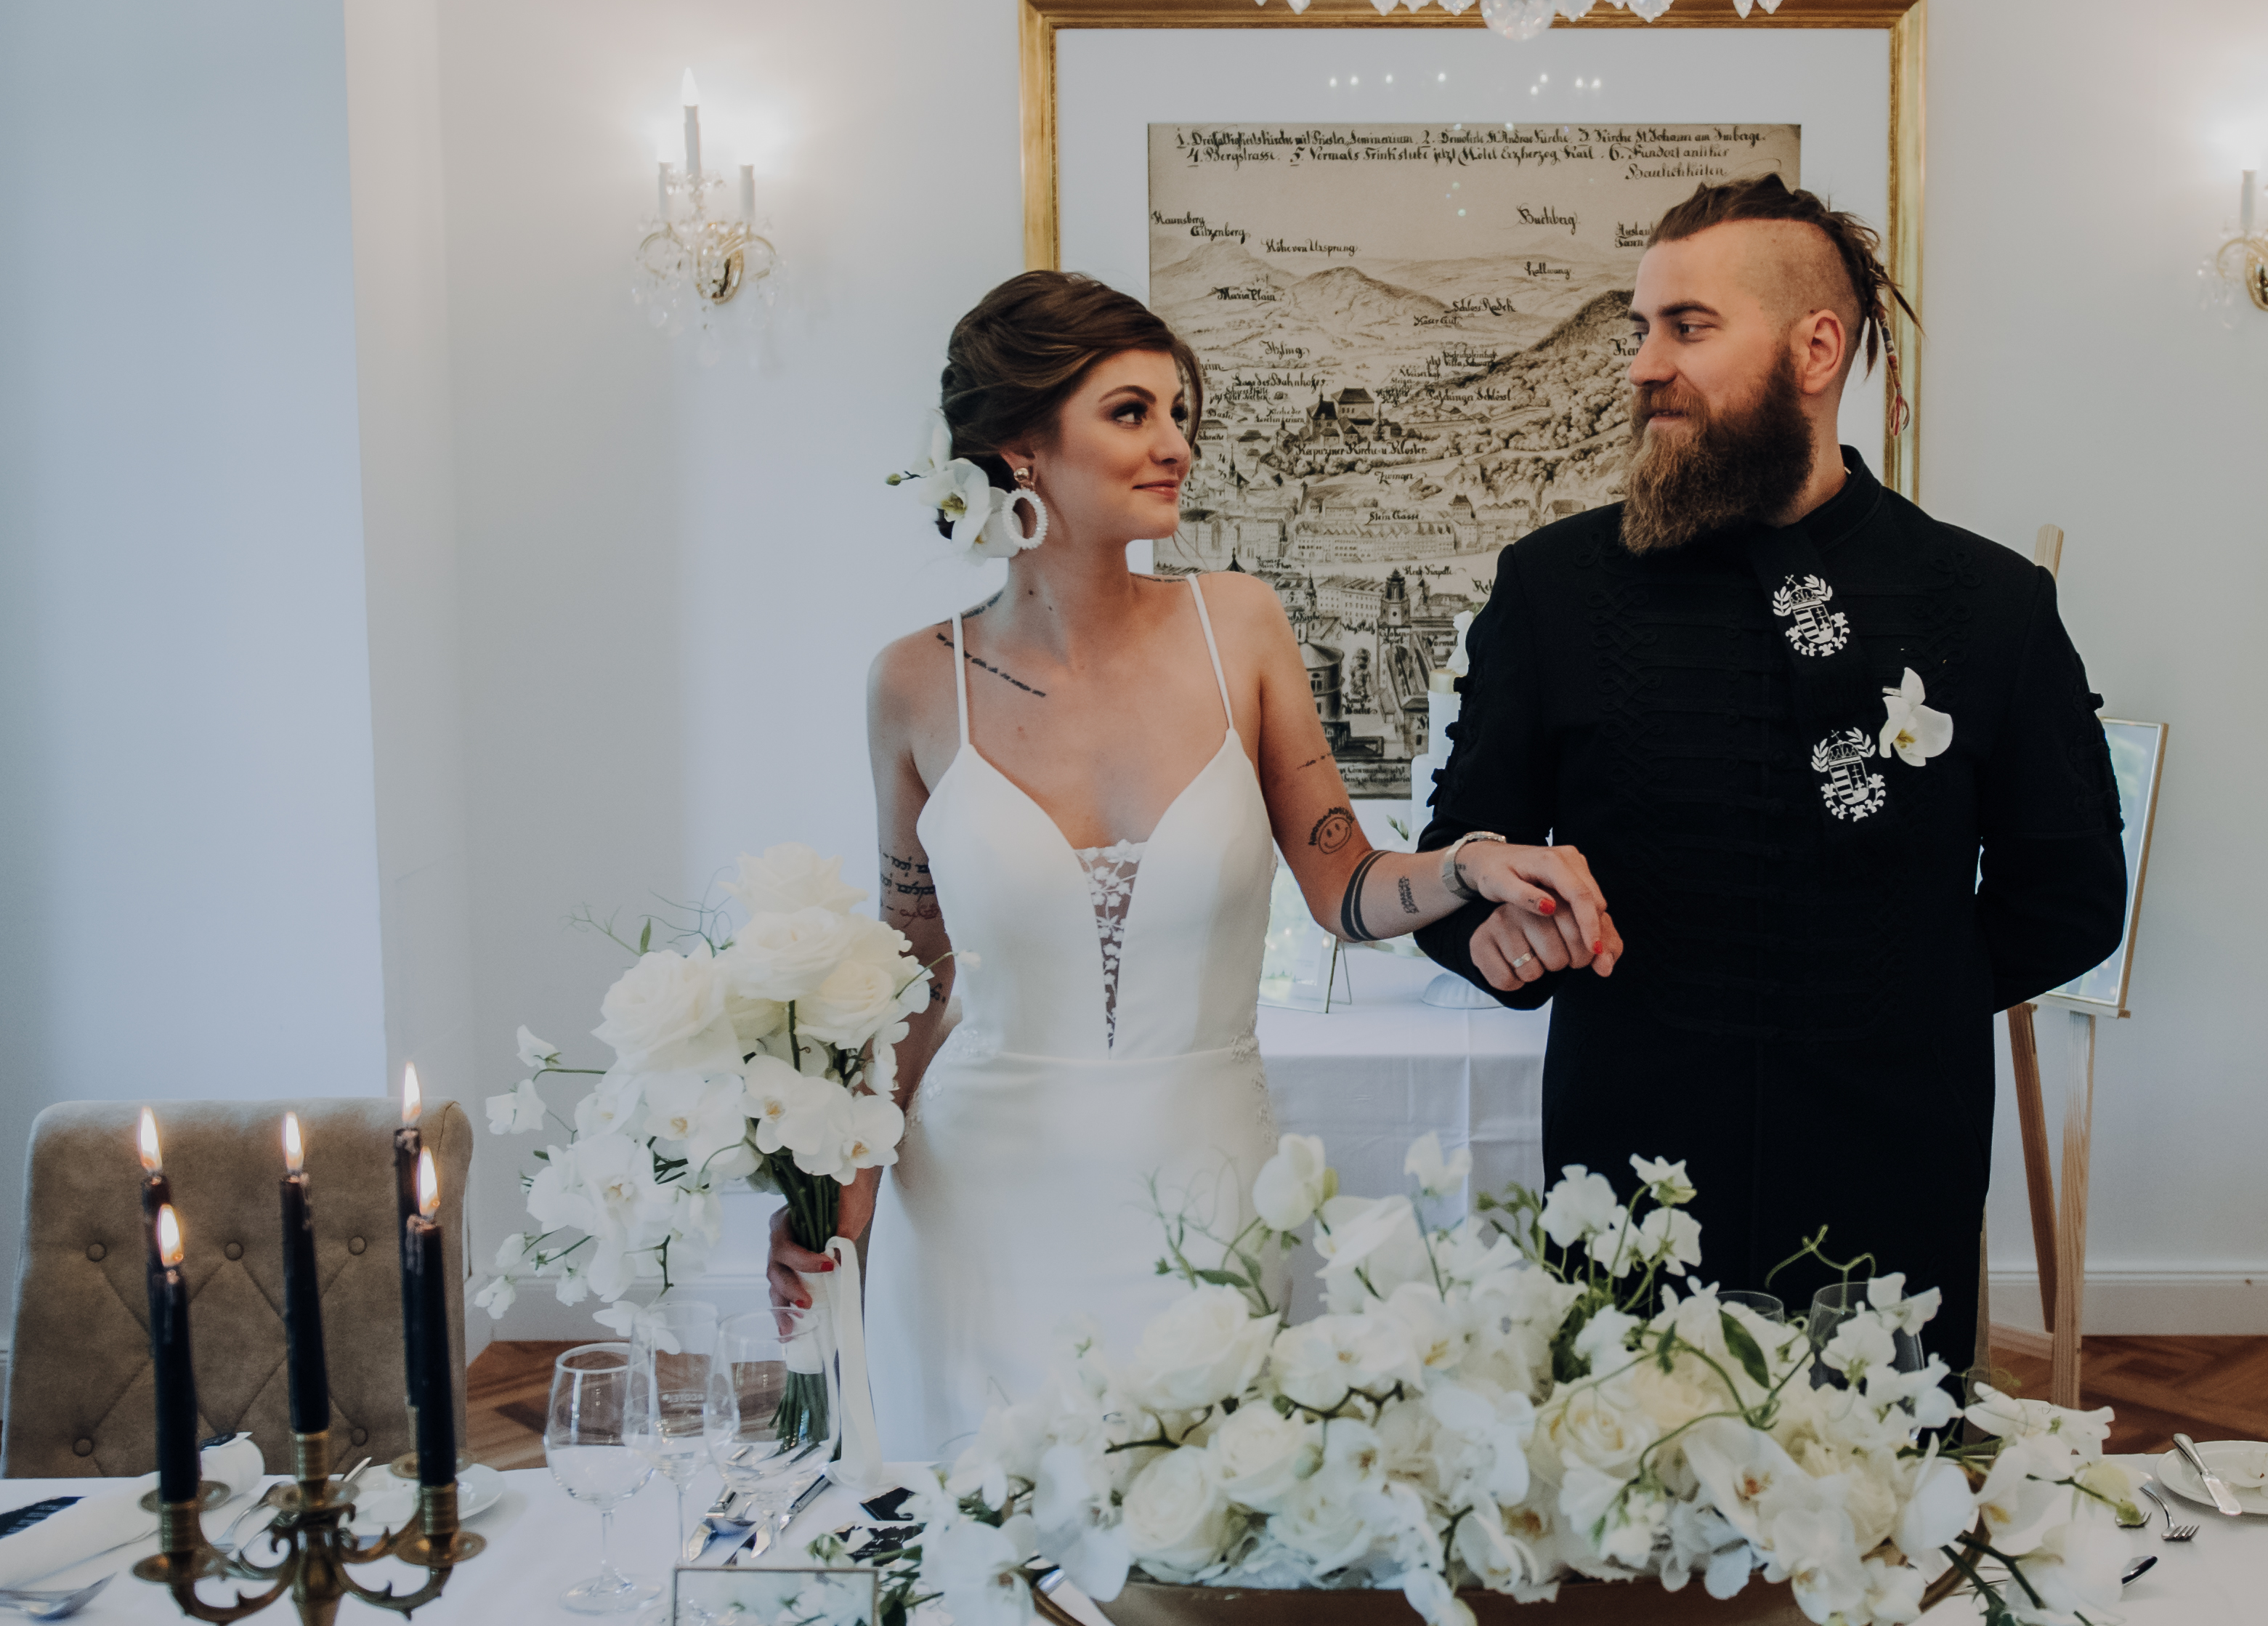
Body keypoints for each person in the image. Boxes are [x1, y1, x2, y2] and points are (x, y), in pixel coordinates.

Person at [774, 270, 1613, 1463]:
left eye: (1180, 414)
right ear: (1019, 448)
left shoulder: (1242, 628)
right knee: (986, 1551)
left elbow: (1347, 884)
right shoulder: (914, 683)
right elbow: (910, 967)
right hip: (977, 1203)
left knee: (1205, 1540)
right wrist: (837, 1183)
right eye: (1132, 413)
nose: (1176, 445)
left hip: (1209, 1183)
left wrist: (1471, 865)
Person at [1411, 179, 2126, 1356]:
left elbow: (2072, 894)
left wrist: (1900, 997)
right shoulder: (1553, 587)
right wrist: (1489, 923)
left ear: (1816, 346)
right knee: (1627, 1519)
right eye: (1641, 330)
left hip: (1895, 1174)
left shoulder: (1992, 604)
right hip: (1625, 1172)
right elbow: (1465, 849)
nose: (1645, 364)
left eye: (1687, 328)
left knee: (1888, 1522)